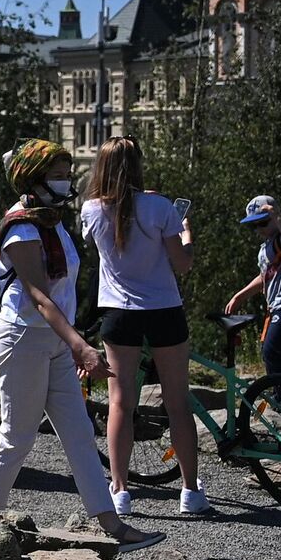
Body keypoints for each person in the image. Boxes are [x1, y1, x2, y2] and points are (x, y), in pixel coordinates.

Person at [0, 139, 165, 552]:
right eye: (58, 176)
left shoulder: (50, 220)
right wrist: (81, 346)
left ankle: (110, 525)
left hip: (54, 342)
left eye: (66, 175)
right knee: (18, 434)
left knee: (80, 433)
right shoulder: (22, 228)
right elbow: (40, 297)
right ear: (34, 180)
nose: (67, 183)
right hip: (23, 339)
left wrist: (72, 344)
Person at [81, 138, 205, 517]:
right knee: (177, 403)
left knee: (121, 402)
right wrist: (186, 233)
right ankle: (190, 491)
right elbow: (181, 263)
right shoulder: (160, 208)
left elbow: (98, 240)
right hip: (164, 308)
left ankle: (119, 490)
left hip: (119, 313)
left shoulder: (90, 209)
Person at [226, 195, 281, 408]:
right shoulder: (266, 247)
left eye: (263, 222)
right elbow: (265, 276)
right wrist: (240, 295)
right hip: (277, 306)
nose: (259, 228)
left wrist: (279, 220)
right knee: (271, 350)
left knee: (272, 351)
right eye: (254, 225)